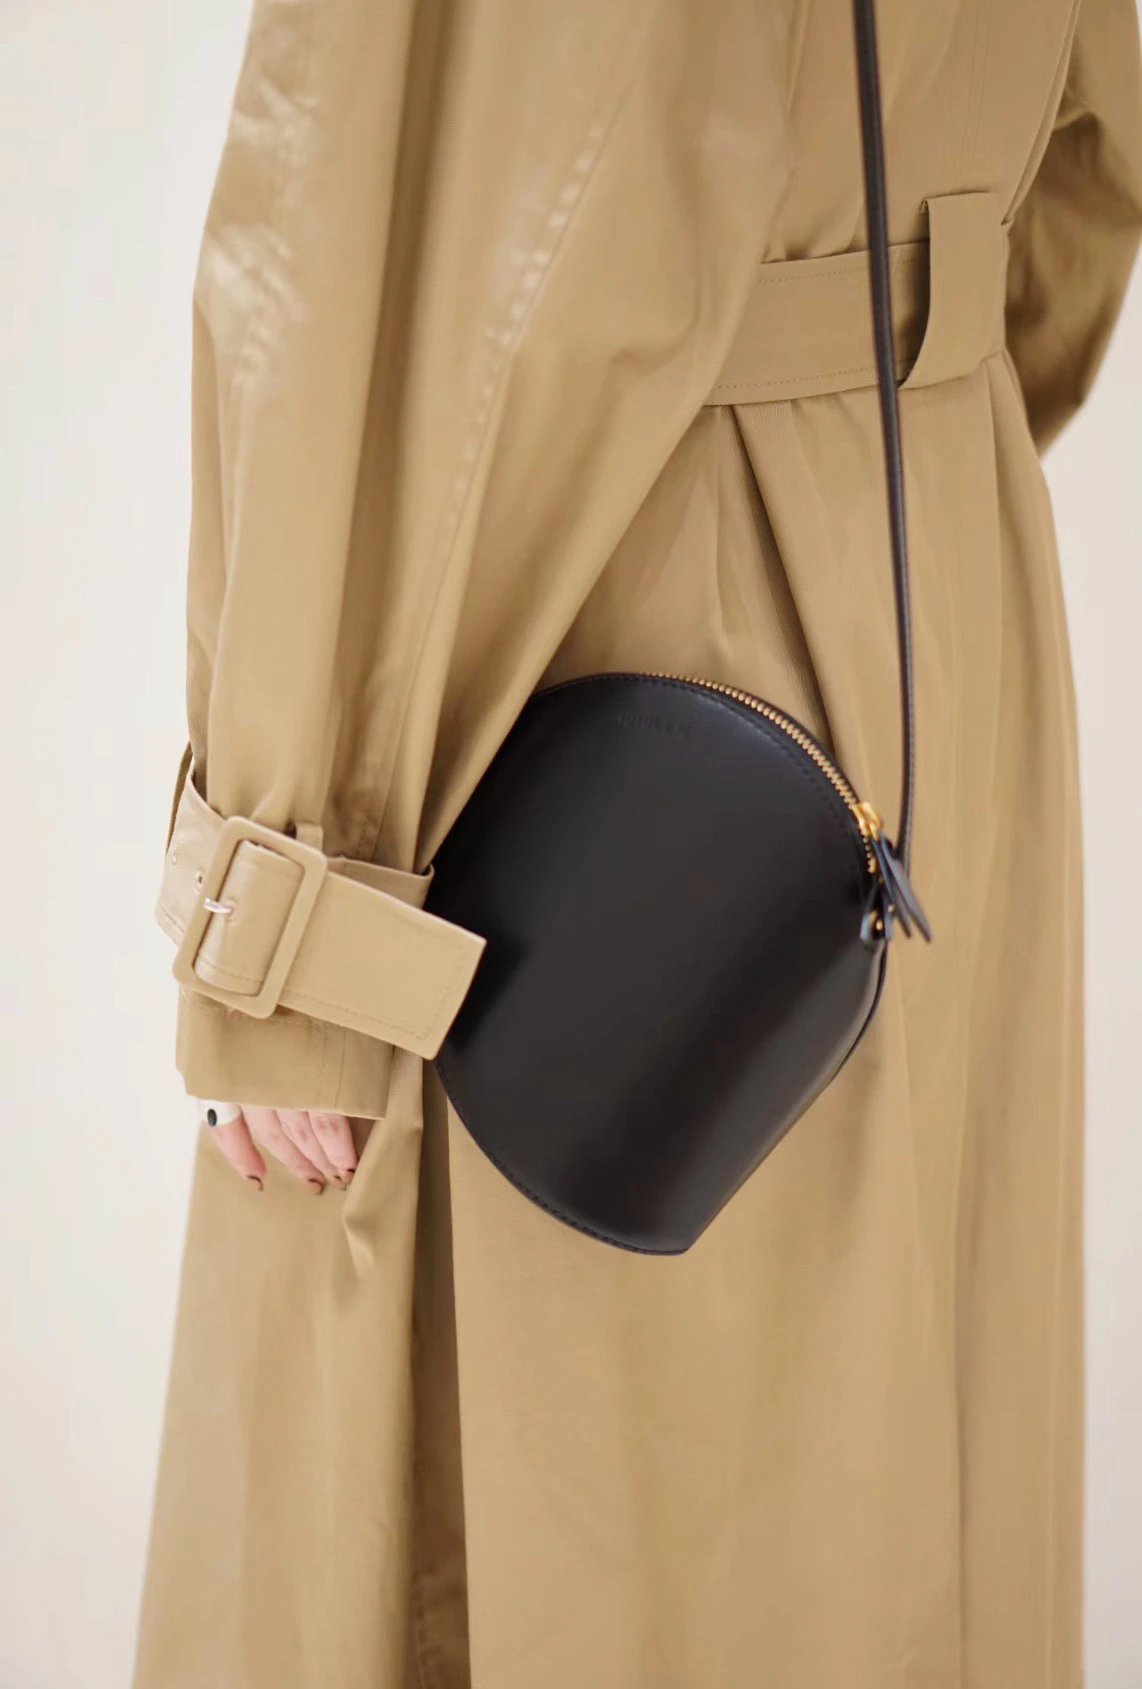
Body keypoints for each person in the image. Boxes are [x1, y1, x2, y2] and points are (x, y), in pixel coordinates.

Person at [134, 1, 1142, 1684]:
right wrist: (879, 412)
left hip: (628, 645)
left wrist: (291, 891)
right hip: (932, 578)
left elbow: (365, 233)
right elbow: (1087, 171)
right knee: (883, 1484)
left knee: (590, 1534)